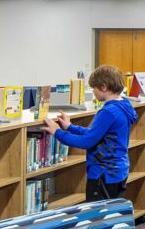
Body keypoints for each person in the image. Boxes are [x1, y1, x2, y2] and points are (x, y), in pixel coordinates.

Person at [43, 65, 139, 201]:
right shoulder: (123, 106)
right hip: (118, 170)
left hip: (103, 173)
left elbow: (86, 142)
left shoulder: (108, 112)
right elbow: (97, 134)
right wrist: (70, 127)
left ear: (104, 87)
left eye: (94, 88)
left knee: (98, 218)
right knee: (113, 213)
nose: (93, 92)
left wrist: (57, 132)